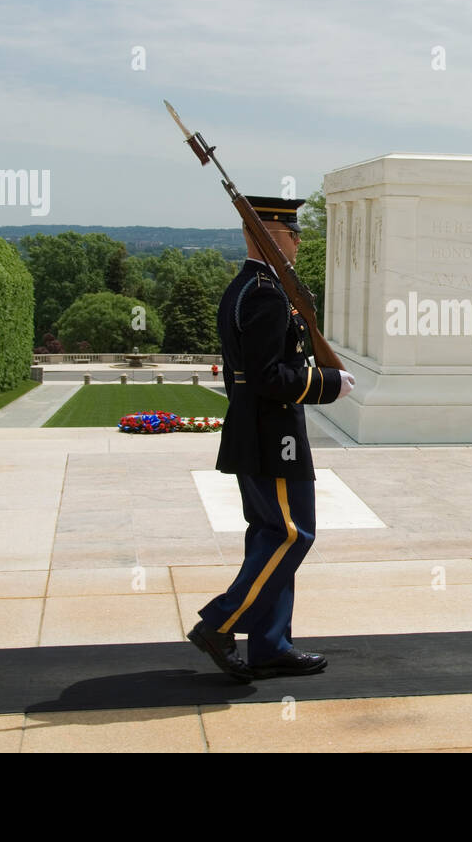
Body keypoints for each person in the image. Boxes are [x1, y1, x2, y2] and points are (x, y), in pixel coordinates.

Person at [188, 197, 354, 683]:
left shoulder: (250, 287)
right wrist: (327, 384)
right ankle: (220, 623)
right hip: (272, 433)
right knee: (289, 534)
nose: (299, 240)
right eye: (291, 233)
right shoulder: (265, 294)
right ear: (265, 236)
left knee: (270, 534)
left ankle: (270, 645)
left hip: (258, 431)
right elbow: (266, 377)